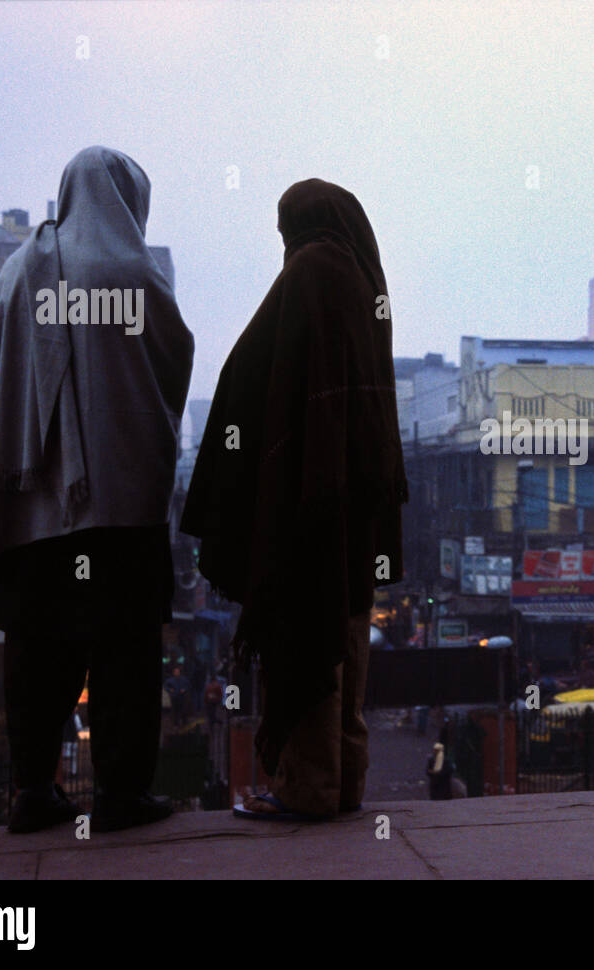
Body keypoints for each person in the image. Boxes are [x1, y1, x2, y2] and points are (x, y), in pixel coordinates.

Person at [0, 146, 194, 833]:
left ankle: (33, 791)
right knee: (126, 653)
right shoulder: (135, 272)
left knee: (36, 649)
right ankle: (121, 795)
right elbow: (171, 370)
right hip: (121, 506)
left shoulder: (21, 270)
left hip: (33, 507)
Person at [182, 178, 408, 821]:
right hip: (354, 502)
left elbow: (247, 372)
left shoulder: (310, 272)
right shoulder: (367, 281)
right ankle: (344, 782)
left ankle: (308, 789)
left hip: (309, 501)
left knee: (307, 633)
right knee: (347, 636)